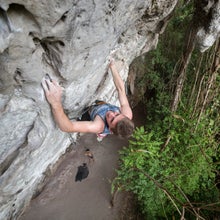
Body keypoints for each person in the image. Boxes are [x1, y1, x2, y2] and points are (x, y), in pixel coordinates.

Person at [41, 61, 134, 139]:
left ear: (110, 129)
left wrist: (55, 102)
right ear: (124, 115)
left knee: (81, 119)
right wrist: (112, 67)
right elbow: (121, 89)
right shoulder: (127, 114)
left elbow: (67, 127)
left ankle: (101, 133)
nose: (111, 113)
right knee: (102, 107)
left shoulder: (98, 125)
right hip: (100, 106)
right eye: (117, 114)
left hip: (90, 115)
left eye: (112, 119)